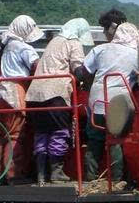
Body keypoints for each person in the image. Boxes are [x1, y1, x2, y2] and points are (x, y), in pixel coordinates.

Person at [26, 18, 93, 184]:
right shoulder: (73, 42)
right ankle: (56, 173)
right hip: (55, 93)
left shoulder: (54, 41)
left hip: (34, 95)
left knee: (41, 133)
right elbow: (78, 70)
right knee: (59, 132)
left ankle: (41, 174)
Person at [80, 22, 139, 182]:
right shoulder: (136, 55)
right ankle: (116, 180)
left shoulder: (100, 49)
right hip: (119, 103)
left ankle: (89, 179)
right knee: (116, 140)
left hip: (97, 100)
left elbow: (84, 71)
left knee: (94, 139)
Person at [0, 15, 41, 184]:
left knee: (1, 135)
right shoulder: (22, 47)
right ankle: (13, 175)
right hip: (14, 92)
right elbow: (37, 66)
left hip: (0, 93)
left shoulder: (5, 47)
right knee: (15, 134)